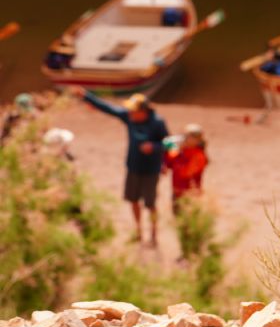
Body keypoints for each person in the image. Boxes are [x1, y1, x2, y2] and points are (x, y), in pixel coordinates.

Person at [70, 87, 168, 246]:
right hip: (133, 167)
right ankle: (138, 231)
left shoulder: (157, 123)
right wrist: (86, 96)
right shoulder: (128, 117)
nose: (130, 113)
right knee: (133, 200)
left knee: (150, 204)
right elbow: (108, 108)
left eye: (133, 111)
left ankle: (154, 235)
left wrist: (154, 148)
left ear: (143, 111)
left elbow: (167, 143)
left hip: (151, 170)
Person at [163, 123, 209, 216]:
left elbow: (185, 173)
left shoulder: (199, 155)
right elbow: (168, 162)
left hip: (191, 195)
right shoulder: (180, 151)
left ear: (197, 140)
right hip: (177, 194)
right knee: (179, 222)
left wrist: (178, 151)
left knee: (190, 223)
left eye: (187, 137)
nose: (184, 139)